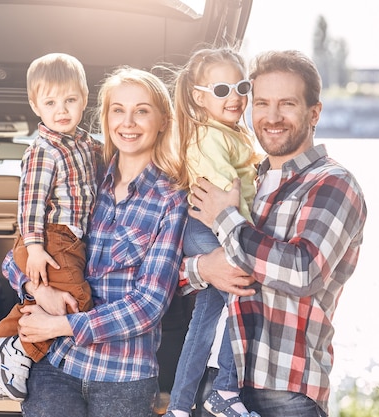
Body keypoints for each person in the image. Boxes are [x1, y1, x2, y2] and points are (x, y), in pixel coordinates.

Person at [183, 50, 367, 417]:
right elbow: (173, 267)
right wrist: (201, 269)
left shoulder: (332, 183)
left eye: (287, 104)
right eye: (262, 102)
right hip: (215, 387)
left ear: (315, 113)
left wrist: (227, 218)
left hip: (285, 393)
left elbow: (303, 270)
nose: (271, 117)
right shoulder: (243, 178)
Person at [3, 67, 189, 417]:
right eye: (118, 109)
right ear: (105, 117)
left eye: (142, 110)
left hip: (124, 376)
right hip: (56, 364)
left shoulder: (172, 198)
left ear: (163, 120)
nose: (128, 122)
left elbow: (149, 305)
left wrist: (60, 325)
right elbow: (15, 257)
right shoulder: (83, 176)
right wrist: (38, 290)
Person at [0, 52, 103, 401]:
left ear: (84, 98)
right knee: (76, 300)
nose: (62, 109)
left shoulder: (87, 144)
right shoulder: (43, 150)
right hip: (52, 238)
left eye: (70, 100)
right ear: (35, 105)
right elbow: (30, 203)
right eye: (51, 102)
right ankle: (20, 351)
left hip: (67, 240)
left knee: (33, 305)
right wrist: (35, 248)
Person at [162, 47, 261, 417]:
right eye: (222, 90)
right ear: (198, 97)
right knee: (245, 296)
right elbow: (226, 200)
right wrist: (249, 238)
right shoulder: (209, 137)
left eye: (241, 86)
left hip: (212, 229)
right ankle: (224, 390)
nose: (234, 97)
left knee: (204, 320)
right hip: (209, 229)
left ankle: (179, 406)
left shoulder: (233, 134)